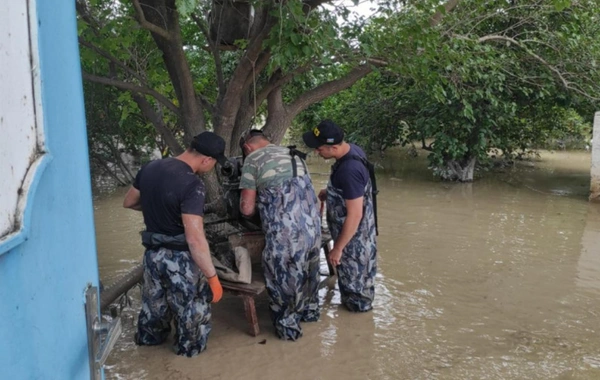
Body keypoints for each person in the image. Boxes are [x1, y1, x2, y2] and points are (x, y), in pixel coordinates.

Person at [122, 131, 227, 357]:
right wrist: (212, 277)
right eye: (215, 162)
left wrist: (157, 207)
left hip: (152, 256)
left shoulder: (150, 168)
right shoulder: (192, 184)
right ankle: (188, 358)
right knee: (191, 314)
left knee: (153, 309)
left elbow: (129, 201)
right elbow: (195, 238)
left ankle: (148, 358)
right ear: (207, 159)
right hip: (181, 260)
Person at [238, 129, 321, 340]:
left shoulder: (253, 160)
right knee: (308, 272)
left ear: (247, 147)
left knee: (283, 279)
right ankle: (310, 316)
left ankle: (288, 332)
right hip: (313, 231)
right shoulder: (295, 154)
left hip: (285, 235)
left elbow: (246, 208)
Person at [302, 120, 377, 312]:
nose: (317, 152)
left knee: (356, 297)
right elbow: (356, 192)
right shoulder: (352, 151)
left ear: (333, 147)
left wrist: (338, 248)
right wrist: (331, 192)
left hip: (354, 243)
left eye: (319, 149)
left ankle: (357, 335)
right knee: (357, 286)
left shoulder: (349, 170)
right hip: (359, 237)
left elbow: (355, 214)